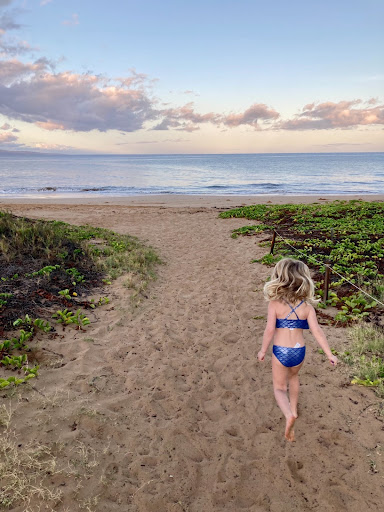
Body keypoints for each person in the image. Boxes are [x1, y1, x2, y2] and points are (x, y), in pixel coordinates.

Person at [257, 258, 338, 442]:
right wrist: (329, 354)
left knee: (279, 388)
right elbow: (317, 331)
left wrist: (263, 350)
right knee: (294, 377)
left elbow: (270, 330)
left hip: (280, 351)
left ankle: (288, 415)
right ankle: (294, 409)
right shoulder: (307, 307)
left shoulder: (275, 304)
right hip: (299, 351)